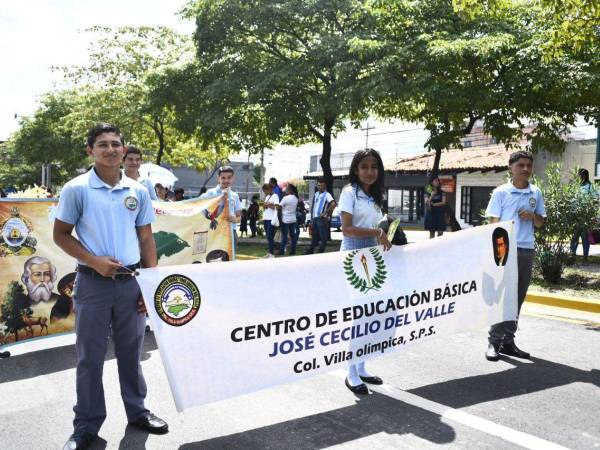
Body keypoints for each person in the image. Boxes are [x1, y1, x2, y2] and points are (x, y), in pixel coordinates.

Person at [53, 123, 168, 450]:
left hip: (131, 284)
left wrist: (151, 284)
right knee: (89, 357)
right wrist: (93, 261)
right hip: (92, 284)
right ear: (91, 151)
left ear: (123, 149)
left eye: (116, 144)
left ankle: (138, 412)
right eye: (102, 144)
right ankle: (86, 425)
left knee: (131, 353)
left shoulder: (138, 191)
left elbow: (146, 238)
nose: (111, 149)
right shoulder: (76, 189)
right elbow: (60, 235)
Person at [338, 149, 392, 395]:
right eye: (364, 167)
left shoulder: (375, 196)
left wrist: (385, 233)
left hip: (373, 258)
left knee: (372, 315)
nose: (370, 172)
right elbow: (347, 229)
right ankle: (350, 373)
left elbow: (377, 226)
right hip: (353, 257)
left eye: (374, 167)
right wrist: (377, 234)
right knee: (359, 317)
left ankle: (361, 366)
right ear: (356, 170)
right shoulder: (349, 193)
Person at [484, 150, 546, 362]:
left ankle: (508, 342)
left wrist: (532, 216)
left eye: (529, 165)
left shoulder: (535, 193)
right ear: (511, 167)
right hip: (505, 250)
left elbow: (541, 222)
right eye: (521, 165)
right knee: (503, 298)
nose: (525, 169)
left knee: (517, 298)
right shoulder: (501, 192)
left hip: (526, 249)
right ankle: (494, 342)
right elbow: (493, 224)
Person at [200, 165, 242, 247]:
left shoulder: (235, 196)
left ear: (233, 178)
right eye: (223, 178)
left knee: (229, 258)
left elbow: (239, 217)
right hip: (214, 231)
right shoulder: (210, 193)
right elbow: (198, 205)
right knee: (213, 258)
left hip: (230, 232)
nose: (226, 180)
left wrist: (235, 219)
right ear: (218, 178)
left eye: (229, 177)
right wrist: (208, 215)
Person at [570, 168, 598, 262]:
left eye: (582, 175)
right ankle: (572, 255)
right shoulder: (576, 186)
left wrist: (591, 212)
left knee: (585, 237)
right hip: (575, 215)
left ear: (586, 176)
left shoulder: (590, 186)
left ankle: (585, 257)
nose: (580, 176)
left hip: (585, 216)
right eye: (579, 175)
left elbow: (596, 199)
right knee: (575, 236)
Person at [305, 177, 336, 254]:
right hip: (315, 218)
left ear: (325, 186)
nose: (320, 187)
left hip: (321, 219)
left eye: (321, 185)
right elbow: (313, 206)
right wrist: (311, 218)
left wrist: (325, 213)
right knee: (314, 236)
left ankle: (320, 251)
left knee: (323, 237)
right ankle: (311, 251)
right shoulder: (316, 194)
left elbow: (333, 204)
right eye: (318, 185)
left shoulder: (327, 194)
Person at [278, 183, 299, 255]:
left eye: (286, 188)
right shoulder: (296, 198)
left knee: (284, 236)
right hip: (293, 219)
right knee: (293, 236)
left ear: (290, 190)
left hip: (285, 219)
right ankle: (293, 250)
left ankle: (281, 250)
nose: (285, 190)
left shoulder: (285, 198)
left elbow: (279, 207)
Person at [262, 183, 280, 258]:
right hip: (266, 218)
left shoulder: (275, 196)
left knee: (270, 236)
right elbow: (266, 206)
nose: (265, 193)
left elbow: (277, 207)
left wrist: (269, 205)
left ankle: (271, 253)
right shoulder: (268, 196)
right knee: (268, 237)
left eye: (265, 191)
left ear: (269, 189)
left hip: (271, 219)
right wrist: (264, 205)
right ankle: (270, 253)